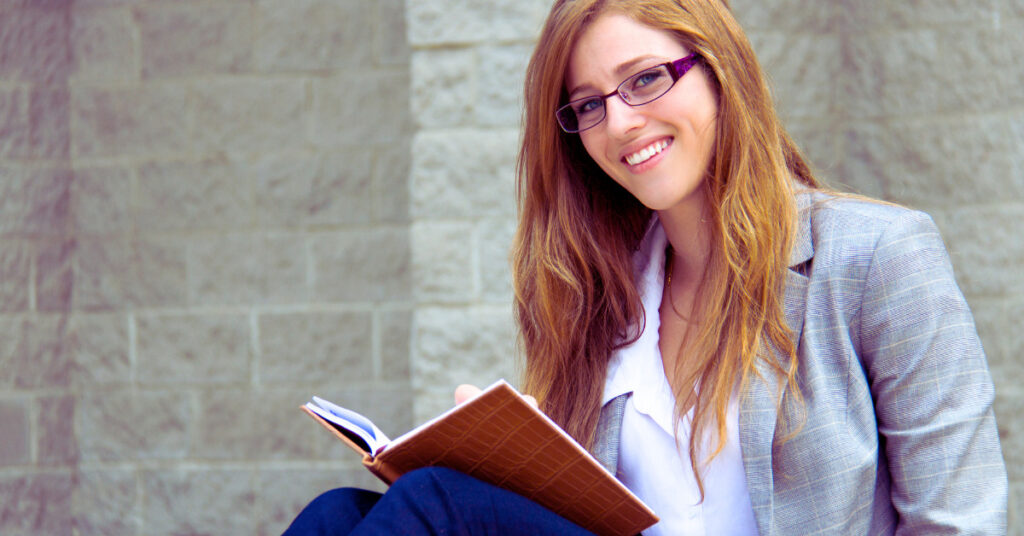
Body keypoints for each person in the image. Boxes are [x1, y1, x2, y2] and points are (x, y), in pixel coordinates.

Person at [284, 0, 1007, 534]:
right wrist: (516, 455)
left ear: (721, 72)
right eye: (589, 104)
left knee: (432, 504)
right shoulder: (603, 294)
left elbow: (960, 518)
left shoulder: (878, 256)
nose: (621, 122)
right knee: (335, 515)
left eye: (647, 79)